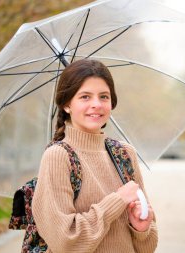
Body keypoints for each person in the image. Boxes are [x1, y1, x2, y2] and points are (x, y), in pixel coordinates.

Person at [32, 59, 158, 253]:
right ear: (67, 104)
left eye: (104, 97)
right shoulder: (58, 157)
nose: (96, 104)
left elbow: (147, 247)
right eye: (85, 97)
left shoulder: (124, 154)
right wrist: (116, 201)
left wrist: (141, 229)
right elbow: (65, 242)